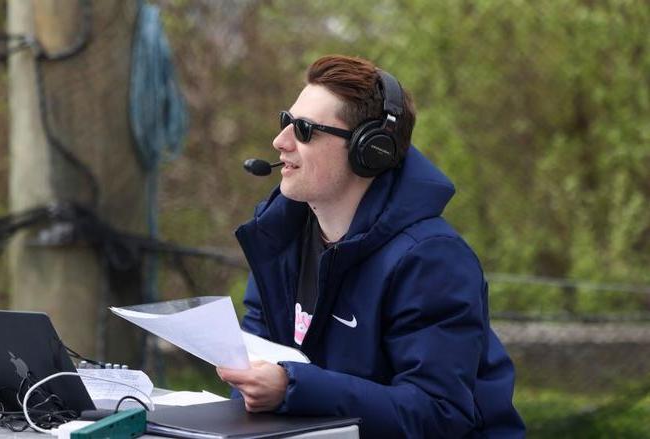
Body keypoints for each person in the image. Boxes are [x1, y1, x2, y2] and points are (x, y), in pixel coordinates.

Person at [216, 55, 526, 438]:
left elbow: (438, 413)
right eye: (286, 122)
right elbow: (255, 365)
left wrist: (292, 388)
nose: (281, 142)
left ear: (371, 150)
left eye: (305, 130)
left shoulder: (432, 259)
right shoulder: (280, 239)